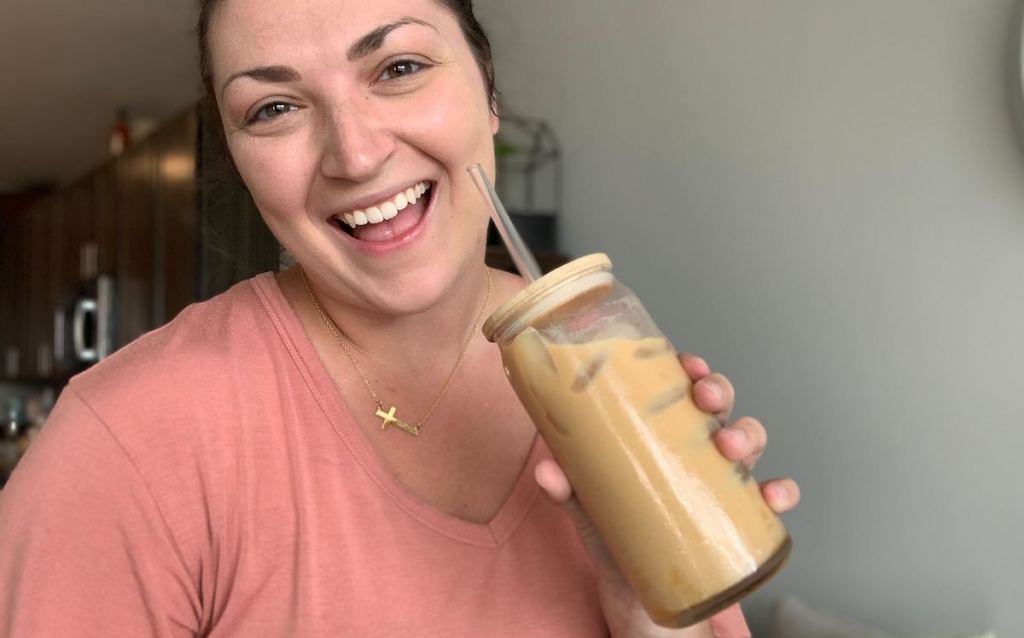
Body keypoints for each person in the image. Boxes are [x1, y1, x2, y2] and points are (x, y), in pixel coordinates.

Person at [0, 0, 801, 635]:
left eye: (400, 67)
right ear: (240, 161)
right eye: (275, 107)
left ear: (489, 93)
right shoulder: (125, 441)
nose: (354, 153)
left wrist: (647, 609)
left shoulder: (606, 358)